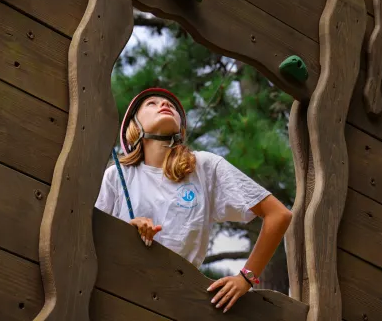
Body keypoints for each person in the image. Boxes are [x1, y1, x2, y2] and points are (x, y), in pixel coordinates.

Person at [95, 88, 292, 313]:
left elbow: (279, 214)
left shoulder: (204, 167)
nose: (164, 104)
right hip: (122, 298)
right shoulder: (118, 176)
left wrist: (246, 278)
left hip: (182, 303)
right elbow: (92, 242)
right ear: (134, 126)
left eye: (171, 105)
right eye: (151, 103)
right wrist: (127, 231)